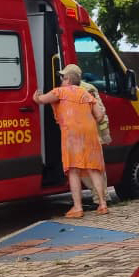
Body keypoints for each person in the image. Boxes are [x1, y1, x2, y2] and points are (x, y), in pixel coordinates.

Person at [33, 64, 109, 217]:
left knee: (73, 170)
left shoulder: (59, 92)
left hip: (72, 135)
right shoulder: (85, 93)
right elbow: (100, 115)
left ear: (67, 79)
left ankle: (78, 208)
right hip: (90, 134)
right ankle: (102, 204)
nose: (61, 80)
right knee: (94, 169)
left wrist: (36, 96)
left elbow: (41, 100)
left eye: (62, 77)